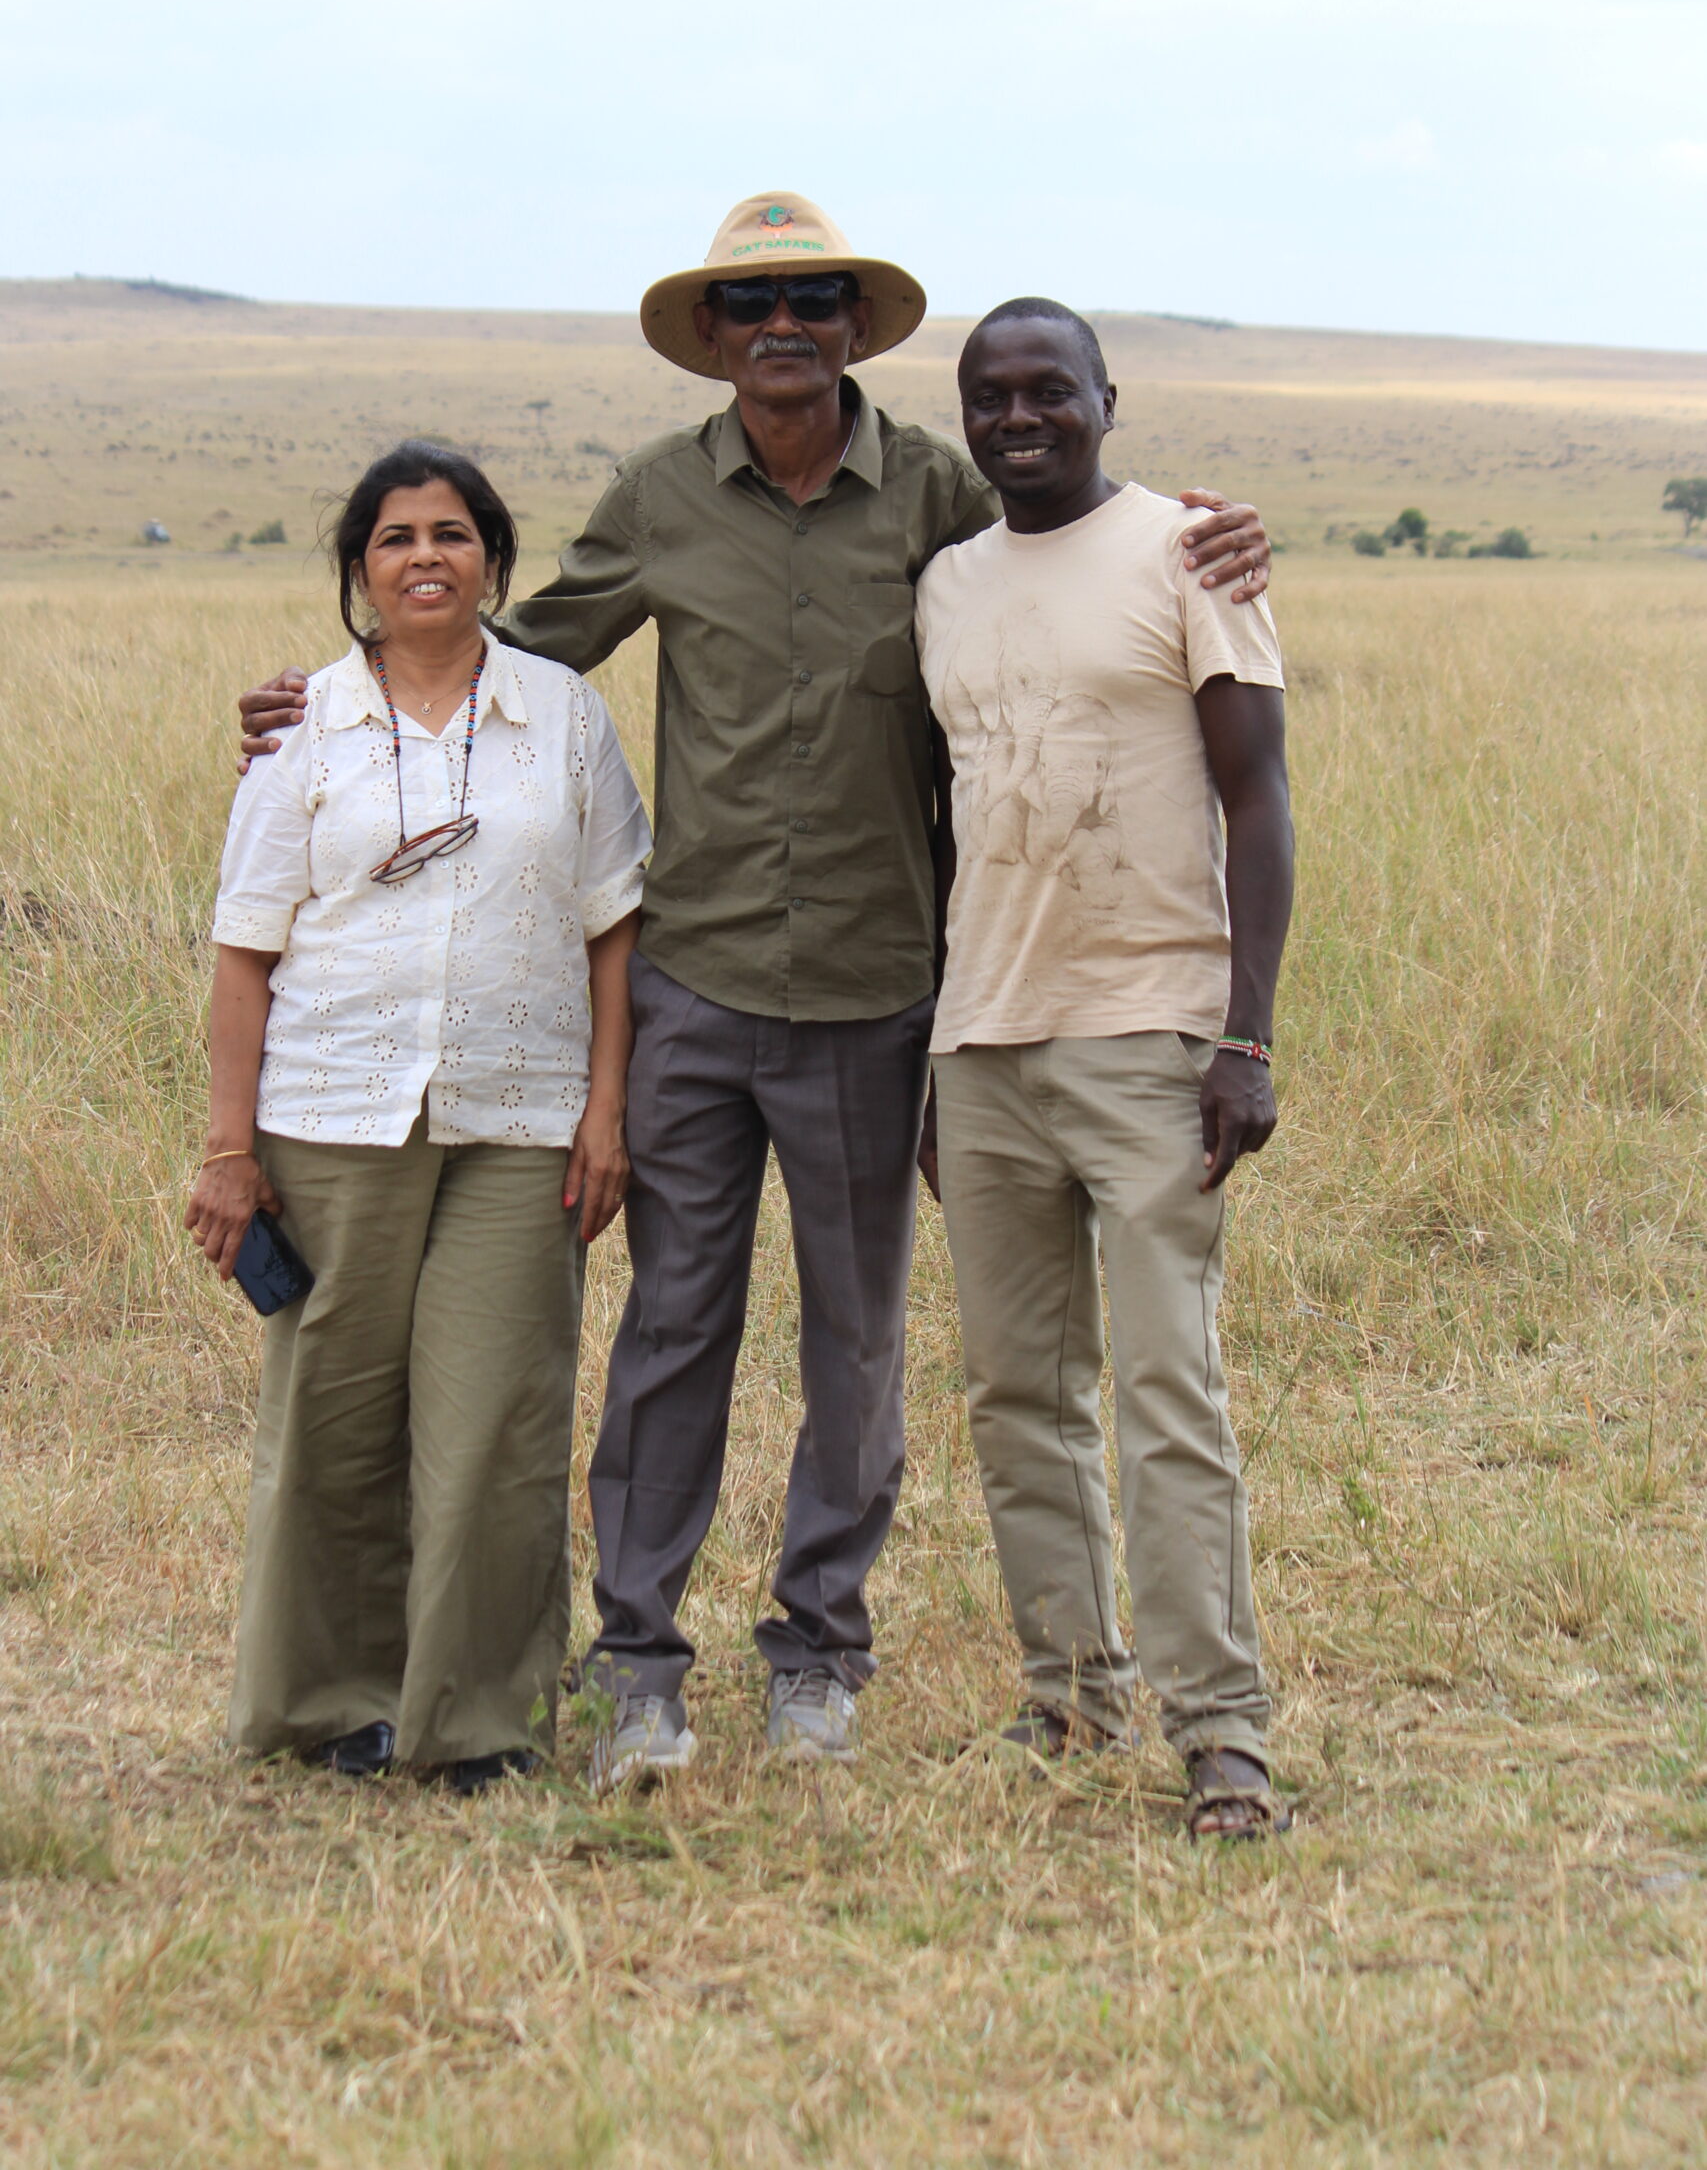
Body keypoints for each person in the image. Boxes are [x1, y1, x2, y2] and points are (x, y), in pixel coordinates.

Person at [237, 197, 1275, 1791]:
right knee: (672, 1327)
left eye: (813, 295)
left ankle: (819, 1656)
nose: (783, 321)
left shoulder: (936, 487)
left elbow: (1062, 545)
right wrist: (345, 696)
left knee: (859, 1344)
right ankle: (639, 1662)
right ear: (713, 337)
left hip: (878, 995)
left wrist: (1222, 535)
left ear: (854, 325)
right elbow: (529, 645)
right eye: (752, 302)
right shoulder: (660, 494)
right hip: (697, 989)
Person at [189, 442, 650, 1794]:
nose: (426, 558)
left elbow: (614, 923)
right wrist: (228, 1151)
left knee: (497, 1421)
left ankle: (479, 1724)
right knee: (333, 1412)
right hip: (331, 1115)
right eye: (396, 540)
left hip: (522, 1119)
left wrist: (605, 1110)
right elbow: (244, 949)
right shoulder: (305, 729)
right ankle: (329, 1704)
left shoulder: (563, 715)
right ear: (359, 572)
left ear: (494, 563)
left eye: (452, 534)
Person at [916, 300, 1294, 1840]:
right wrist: (933, 1054)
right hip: (980, 1038)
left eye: (1049, 392)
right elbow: (948, 816)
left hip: (1148, 1029)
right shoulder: (941, 582)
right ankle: (1071, 1689)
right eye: (991, 397)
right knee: (1018, 1391)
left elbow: (1257, 800)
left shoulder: (1189, 555)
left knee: (1164, 1385)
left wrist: (1246, 1034)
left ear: (1105, 402)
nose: (1021, 419)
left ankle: (1223, 1735)